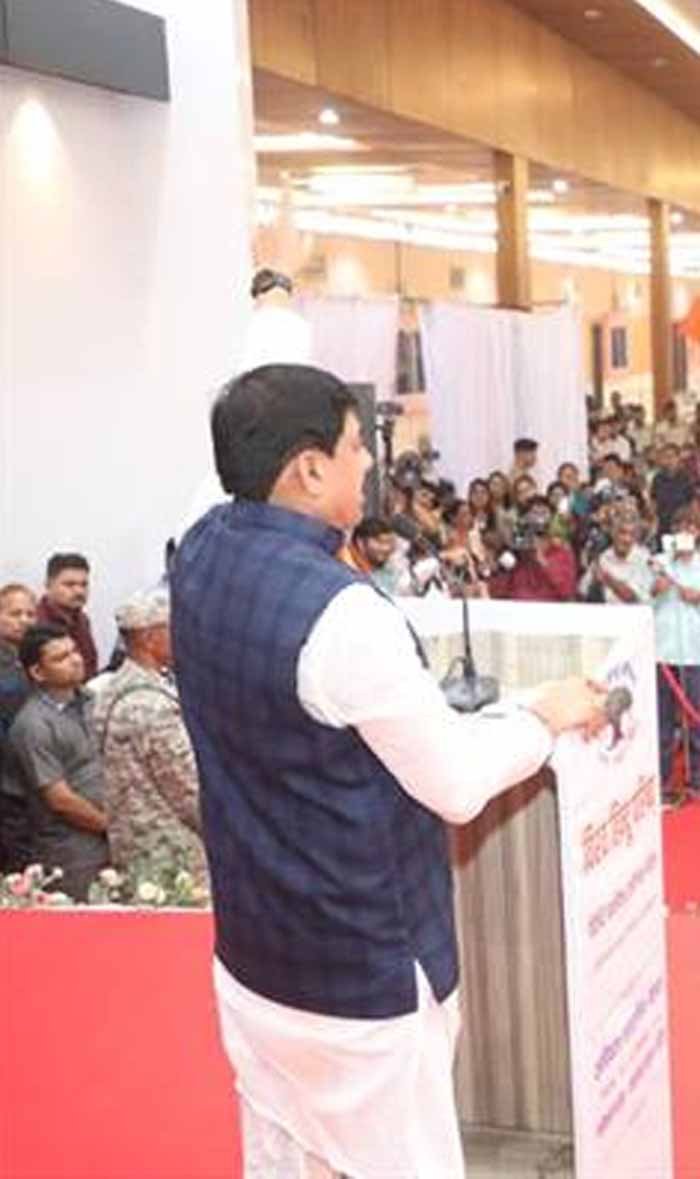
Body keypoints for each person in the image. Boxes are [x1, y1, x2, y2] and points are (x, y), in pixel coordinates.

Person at [171, 363, 604, 1179]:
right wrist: (542, 716)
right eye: (354, 445)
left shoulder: (196, 549)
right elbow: (453, 782)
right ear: (309, 469)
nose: (369, 461)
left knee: (283, 1158)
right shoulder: (343, 617)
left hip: (254, 959)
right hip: (358, 977)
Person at [92, 590, 206, 884]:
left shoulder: (110, 691)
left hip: (129, 844)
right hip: (173, 853)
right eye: (172, 630)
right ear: (149, 639)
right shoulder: (152, 704)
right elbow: (188, 792)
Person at [5, 625, 109, 899]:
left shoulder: (92, 701)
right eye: (61, 658)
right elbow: (59, 799)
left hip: (111, 840)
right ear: (38, 672)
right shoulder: (33, 724)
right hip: (72, 851)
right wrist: (111, 826)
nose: (75, 660)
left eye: (74, 651)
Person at [651, 511, 700, 803]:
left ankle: (697, 778)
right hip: (663, 654)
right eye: (679, 526)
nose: (685, 531)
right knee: (663, 721)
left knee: (695, 717)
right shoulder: (659, 562)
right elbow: (643, 595)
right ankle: (663, 780)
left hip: (694, 653)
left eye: (690, 527)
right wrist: (655, 587)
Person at [0, 584, 37, 870]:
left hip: (28, 778)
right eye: (15, 614)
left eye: (30, 614)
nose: (24, 620)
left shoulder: (29, 659)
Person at [36, 553, 98, 680]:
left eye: (84, 584)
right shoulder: (35, 621)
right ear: (48, 585)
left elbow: (90, 666)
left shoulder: (82, 619)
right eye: (69, 584)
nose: (79, 591)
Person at [579, 519, 653, 605]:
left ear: (636, 537)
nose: (626, 539)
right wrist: (595, 582)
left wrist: (607, 578)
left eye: (631, 534)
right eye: (622, 533)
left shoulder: (644, 559)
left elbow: (634, 598)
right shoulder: (603, 558)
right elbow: (582, 591)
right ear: (613, 534)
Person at [650, 443, 694, 543]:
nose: (668, 460)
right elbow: (653, 500)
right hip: (663, 523)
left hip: (682, 524)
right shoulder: (657, 478)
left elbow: (692, 502)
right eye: (665, 457)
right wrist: (653, 518)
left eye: (671, 456)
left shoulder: (686, 477)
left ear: (678, 458)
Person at [345, 517, 399, 595]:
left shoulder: (388, 570)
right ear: (360, 543)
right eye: (380, 542)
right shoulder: (346, 568)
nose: (386, 548)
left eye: (389, 542)